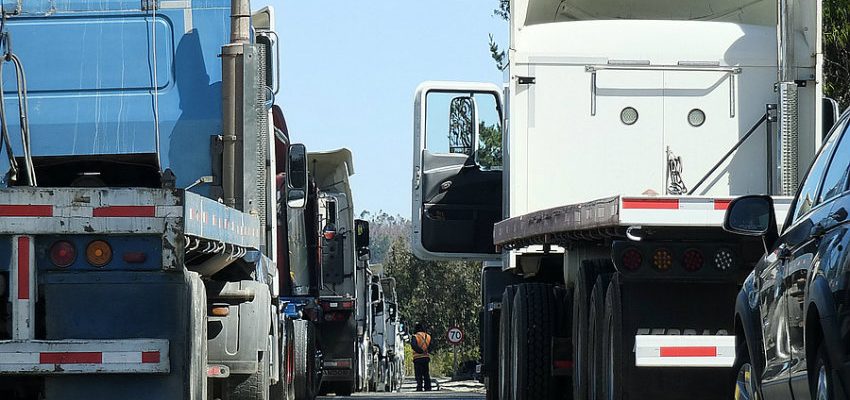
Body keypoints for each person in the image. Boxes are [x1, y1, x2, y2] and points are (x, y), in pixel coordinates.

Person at [411, 322, 432, 391]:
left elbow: (413, 345)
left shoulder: (415, 336)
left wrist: (420, 351)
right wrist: (425, 351)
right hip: (426, 357)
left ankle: (419, 386)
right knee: (426, 373)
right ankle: (428, 387)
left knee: (418, 374)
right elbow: (431, 347)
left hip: (417, 358)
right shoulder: (428, 336)